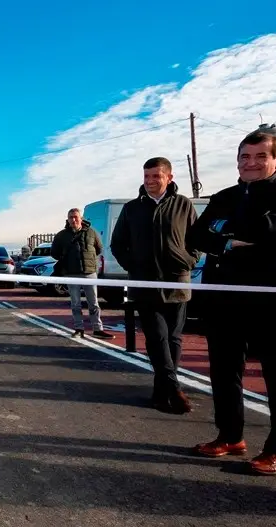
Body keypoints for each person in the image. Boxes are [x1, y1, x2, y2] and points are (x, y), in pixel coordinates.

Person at [187, 131, 276, 475]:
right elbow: (196, 236)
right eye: (245, 156)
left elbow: (269, 229)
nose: (251, 163)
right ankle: (229, 436)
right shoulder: (224, 196)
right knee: (224, 373)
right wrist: (229, 242)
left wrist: (222, 228)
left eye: (261, 156)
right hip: (225, 300)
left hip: (274, 301)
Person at [110, 157, 199, 414]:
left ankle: (160, 394)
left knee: (173, 339)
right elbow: (118, 245)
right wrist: (135, 268)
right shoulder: (131, 209)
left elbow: (196, 241)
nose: (150, 182)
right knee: (157, 337)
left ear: (168, 178)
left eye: (155, 177)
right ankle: (174, 388)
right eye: (146, 176)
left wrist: (188, 262)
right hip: (145, 286)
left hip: (178, 284)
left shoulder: (183, 206)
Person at [51, 208, 114, 339]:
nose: (73, 220)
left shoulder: (92, 232)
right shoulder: (62, 235)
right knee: (75, 303)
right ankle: (78, 328)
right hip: (71, 273)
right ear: (67, 219)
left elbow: (99, 249)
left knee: (94, 303)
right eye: (70, 217)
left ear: (81, 218)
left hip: (89, 273)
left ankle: (97, 329)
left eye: (75, 217)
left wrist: (88, 260)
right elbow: (54, 253)